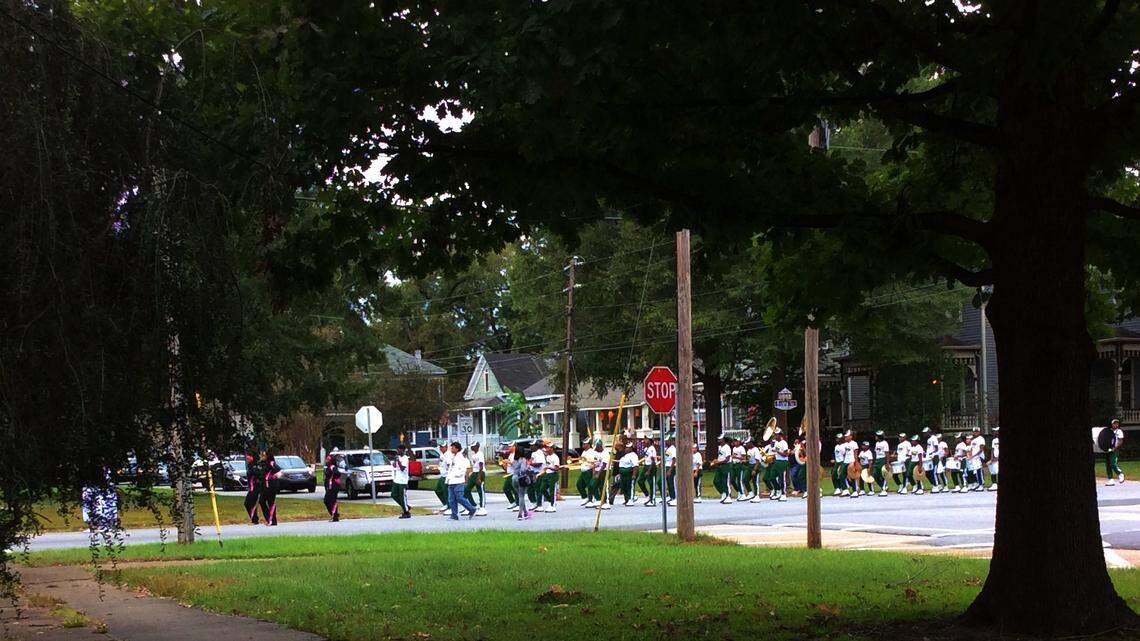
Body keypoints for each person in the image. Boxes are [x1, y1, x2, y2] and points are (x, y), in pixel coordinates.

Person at [445, 442, 477, 520]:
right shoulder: (453, 457)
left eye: (453, 448)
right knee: (451, 499)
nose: (451, 449)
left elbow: (463, 469)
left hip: (458, 481)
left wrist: (457, 475)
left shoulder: (461, 458)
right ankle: (454, 515)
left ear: (457, 449)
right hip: (451, 481)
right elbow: (451, 468)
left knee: (459, 497)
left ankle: (472, 509)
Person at [463, 442, 488, 516]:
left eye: (473, 446)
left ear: (477, 446)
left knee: (480, 490)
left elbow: (481, 465)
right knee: (466, 489)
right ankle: (471, 506)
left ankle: (482, 508)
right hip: (474, 473)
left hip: (480, 473)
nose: (471, 447)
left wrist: (479, 477)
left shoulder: (480, 454)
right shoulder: (473, 455)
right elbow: (474, 465)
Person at [260, 453, 284, 526]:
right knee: (261, 501)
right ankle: (269, 519)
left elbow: (281, 471)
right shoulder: (264, 463)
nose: (262, 456)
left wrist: (276, 476)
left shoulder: (271, 463)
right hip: (265, 486)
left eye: (264, 455)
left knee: (270, 502)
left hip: (271, 486)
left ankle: (272, 521)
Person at [511, 444, 533, 520]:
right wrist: (528, 466)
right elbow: (523, 470)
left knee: (520, 496)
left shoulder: (514, 460)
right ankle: (520, 514)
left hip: (513, 478)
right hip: (520, 478)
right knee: (521, 496)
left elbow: (513, 468)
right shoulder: (523, 459)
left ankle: (525, 512)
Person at [539, 441, 561, 512]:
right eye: (546, 447)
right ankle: (550, 501)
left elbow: (557, 468)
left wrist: (549, 467)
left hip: (553, 475)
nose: (547, 449)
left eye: (548, 447)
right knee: (542, 489)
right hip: (547, 474)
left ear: (552, 449)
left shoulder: (555, 457)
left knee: (552, 491)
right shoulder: (547, 456)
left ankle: (552, 506)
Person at [769, 429, 790, 501]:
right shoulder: (776, 443)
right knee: (772, 477)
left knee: (781, 478)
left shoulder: (784, 443)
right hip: (777, 461)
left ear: (780, 435)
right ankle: (778, 490)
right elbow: (775, 452)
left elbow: (786, 454)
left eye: (776, 435)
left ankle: (783, 494)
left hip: (783, 462)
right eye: (775, 434)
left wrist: (777, 451)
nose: (775, 436)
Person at [392, 445, 412, 519]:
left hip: (403, 481)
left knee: (402, 497)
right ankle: (406, 506)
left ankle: (406, 513)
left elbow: (402, 468)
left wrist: (398, 461)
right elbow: (394, 466)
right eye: (397, 450)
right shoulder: (398, 457)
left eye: (399, 450)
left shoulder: (405, 458)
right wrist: (395, 460)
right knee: (393, 495)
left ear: (403, 450)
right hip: (397, 479)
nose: (398, 451)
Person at [639, 437, 659, 507]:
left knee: (651, 484)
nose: (644, 441)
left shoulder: (652, 449)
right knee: (640, 481)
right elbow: (645, 457)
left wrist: (649, 470)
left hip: (651, 466)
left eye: (646, 440)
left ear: (650, 441)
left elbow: (653, 461)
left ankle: (652, 500)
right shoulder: (646, 448)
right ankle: (648, 495)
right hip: (646, 465)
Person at [434, 441, 453, 514]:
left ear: (446, 447)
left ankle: (450, 507)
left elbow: (449, 465)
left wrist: (449, 475)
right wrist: (438, 468)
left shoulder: (448, 455)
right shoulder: (442, 455)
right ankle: (445, 504)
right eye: (440, 447)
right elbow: (442, 465)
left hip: (446, 476)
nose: (441, 448)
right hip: (442, 475)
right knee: (438, 490)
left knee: (446, 492)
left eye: (442, 447)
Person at [243, 452, 262, 524]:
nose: (247, 458)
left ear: (252, 457)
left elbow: (259, 475)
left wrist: (257, 479)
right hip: (251, 488)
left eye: (248, 457)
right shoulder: (249, 466)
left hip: (255, 488)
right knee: (247, 503)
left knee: (252, 503)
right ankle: (254, 519)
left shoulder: (255, 466)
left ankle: (255, 520)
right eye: (246, 457)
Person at [1106, 419, 1125, 486]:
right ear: (1112, 424)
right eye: (1114, 423)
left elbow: (1120, 441)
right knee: (1108, 465)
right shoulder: (1109, 431)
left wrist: (1114, 448)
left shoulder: (1119, 431)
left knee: (1113, 463)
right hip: (1108, 450)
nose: (1116, 424)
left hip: (1115, 450)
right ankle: (1110, 479)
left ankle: (1120, 474)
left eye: (1117, 423)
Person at [713, 436, 732, 503]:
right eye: (718, 439)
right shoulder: (720, 447)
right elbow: (720, 456)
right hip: (719, 466)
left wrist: (718, 462)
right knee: (716, 481)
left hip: (726, 466)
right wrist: (716, 461)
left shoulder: (727, 447)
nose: (719, 440)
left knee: (725, 481)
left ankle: (728, 496)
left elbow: (727, 459)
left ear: (723, 440)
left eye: (720, 439)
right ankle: (723, 493)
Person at [323, 453, 342, 522]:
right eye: (326, 459)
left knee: (332, 501)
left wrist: (333, 477)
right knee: (326, 500)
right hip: (330, 486)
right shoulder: (327, 467)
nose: (326, 461)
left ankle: (335, 516)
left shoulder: (332, 467)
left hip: (334, 486)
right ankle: (334, 515)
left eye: (328, 459)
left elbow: (338, 473)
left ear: (331, 461)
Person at [500, 446, 519, 511]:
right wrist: (504, 464)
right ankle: (512, 502)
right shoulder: (510, 455)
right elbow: (508, 466)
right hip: (509, 474)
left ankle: (518, 504)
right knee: (506, 488)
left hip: (514, 474)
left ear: (514, 447)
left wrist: (509, 462)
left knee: (515, 490)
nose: (509, 448)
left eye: (510, 447)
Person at [746, 438, 764, 503]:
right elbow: (749, 459)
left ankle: (757, 496)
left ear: (751, 443)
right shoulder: (748, 450)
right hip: (750, 466)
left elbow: (758, 461)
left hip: (756, 466)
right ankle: (751, 493)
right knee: (745, 479)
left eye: (748, 443)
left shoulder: (756, 450)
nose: (746, 444)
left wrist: (754, 470)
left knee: (755, 482)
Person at [872, 431, 890, 496]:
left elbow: (887, 453)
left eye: (876, 436)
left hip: (882, 459)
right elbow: (876, 452)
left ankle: (884, 490)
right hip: (877, 460)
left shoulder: (885, 443)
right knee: (874, 474)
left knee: (883, 475)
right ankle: (884, 486)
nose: (875, 437)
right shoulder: (877, 443)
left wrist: (887, 463)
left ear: (880, 436)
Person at [664, 437, 678, 506]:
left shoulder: (673, 449)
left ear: (671, 441)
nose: (666, 442)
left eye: (667, 441)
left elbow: (674, 459)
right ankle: (671, 497)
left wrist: (670, 470)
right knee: (669, 483)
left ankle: (675, 498)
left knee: (672, 483)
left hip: (671, 467)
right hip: (667, 466)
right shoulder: (667, 449)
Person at [988, 427, 1000, 491]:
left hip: (998, 458)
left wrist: (997, 458)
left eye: (996, 431)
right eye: (994, 431)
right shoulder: (994, 440)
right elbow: (992, 449)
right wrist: (992, 458)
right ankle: (994, 484)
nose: (995, 432)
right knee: (992, 470)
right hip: (994, 458)